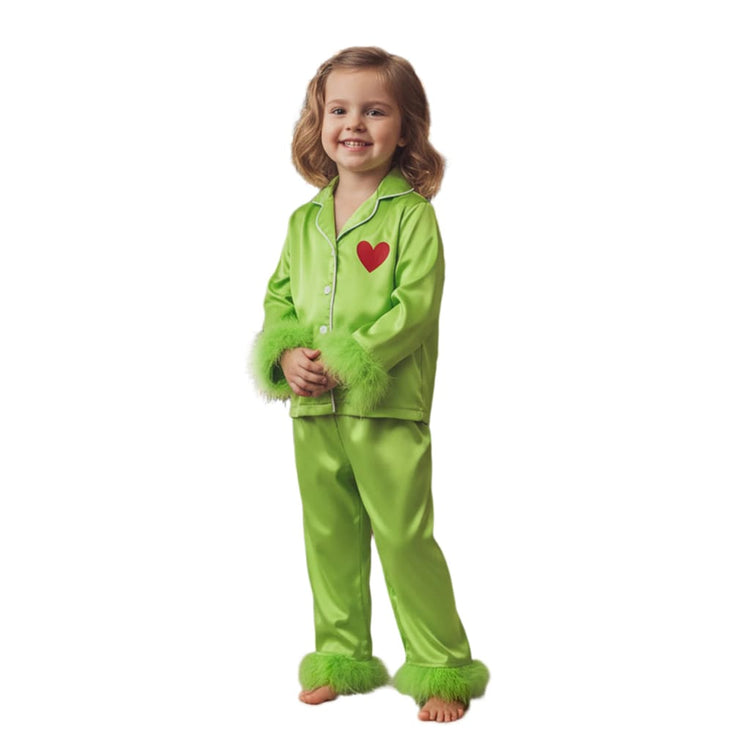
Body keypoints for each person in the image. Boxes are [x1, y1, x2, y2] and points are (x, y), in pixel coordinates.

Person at [250, 46, 488, 723]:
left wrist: (351, 357)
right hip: (311, 410)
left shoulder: (412, 215)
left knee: (404, 538)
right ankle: (341, 655)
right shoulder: (303, 221)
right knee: (329, 537)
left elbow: (415, 308)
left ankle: (442, 665)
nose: (354, 124)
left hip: (386, 408)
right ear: (318, 123)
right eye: (339, 110)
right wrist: (286, 354)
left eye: (375, 111)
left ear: (406, 128)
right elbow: (279, 298)